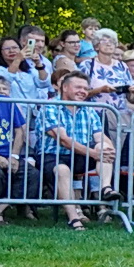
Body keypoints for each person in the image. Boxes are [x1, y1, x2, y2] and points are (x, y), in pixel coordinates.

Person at [34, 72, 116, 229]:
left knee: (103, 146)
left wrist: (109, 149)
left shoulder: (89, 109)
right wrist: (93, 153)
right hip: (53, 155)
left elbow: (101, 136)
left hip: (80, 155)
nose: (83, 91)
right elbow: (63, 140)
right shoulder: (50, 107)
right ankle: (74, 218)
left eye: (86, 88)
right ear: (64, 88)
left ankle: (106, 188)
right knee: (62, 170)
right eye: (78, 87)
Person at [0, 73, 41, 220]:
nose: (1, 92)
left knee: (31, 174)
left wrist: (14, 156)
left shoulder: (10, 103)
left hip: (8, 155)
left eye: (4, 89)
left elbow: (20, 130)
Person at [0, 36, 50, 102]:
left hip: (30, 110)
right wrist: (18, 58)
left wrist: (38, 63)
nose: (11, 51)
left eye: (14, 48)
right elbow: (7, 79)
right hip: (12, 110)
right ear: (0, 52)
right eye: (7, 49)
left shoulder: (29, 70)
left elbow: (44, 83)